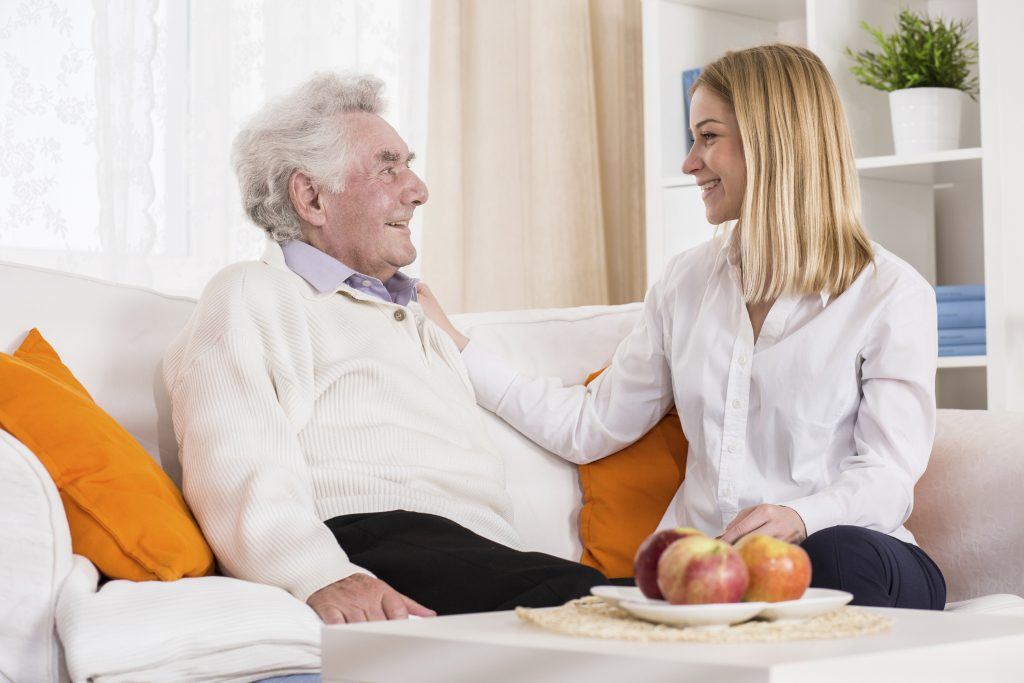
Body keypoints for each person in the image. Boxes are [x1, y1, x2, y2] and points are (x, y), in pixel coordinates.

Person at [419, 44, 947, 610]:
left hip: (856, 559)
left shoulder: (891, 293)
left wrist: (799, 517)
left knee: (839, 553)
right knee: (559, 591)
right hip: (717, 576)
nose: (689, 162)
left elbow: (889, 478)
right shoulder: (686, 283)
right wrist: (456, 345)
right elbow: (591, 425)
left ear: (774, 143)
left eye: (708, 136)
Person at [163, 72, 607, 625]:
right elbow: (234, 459)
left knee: (662, 611)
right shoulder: (254, 292)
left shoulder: (415, 321)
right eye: (387, 166)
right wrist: (318, 574)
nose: (418, 189)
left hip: (485, 557)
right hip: (371, 540)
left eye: (409, 164)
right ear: (312, 196)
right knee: (621, 614)